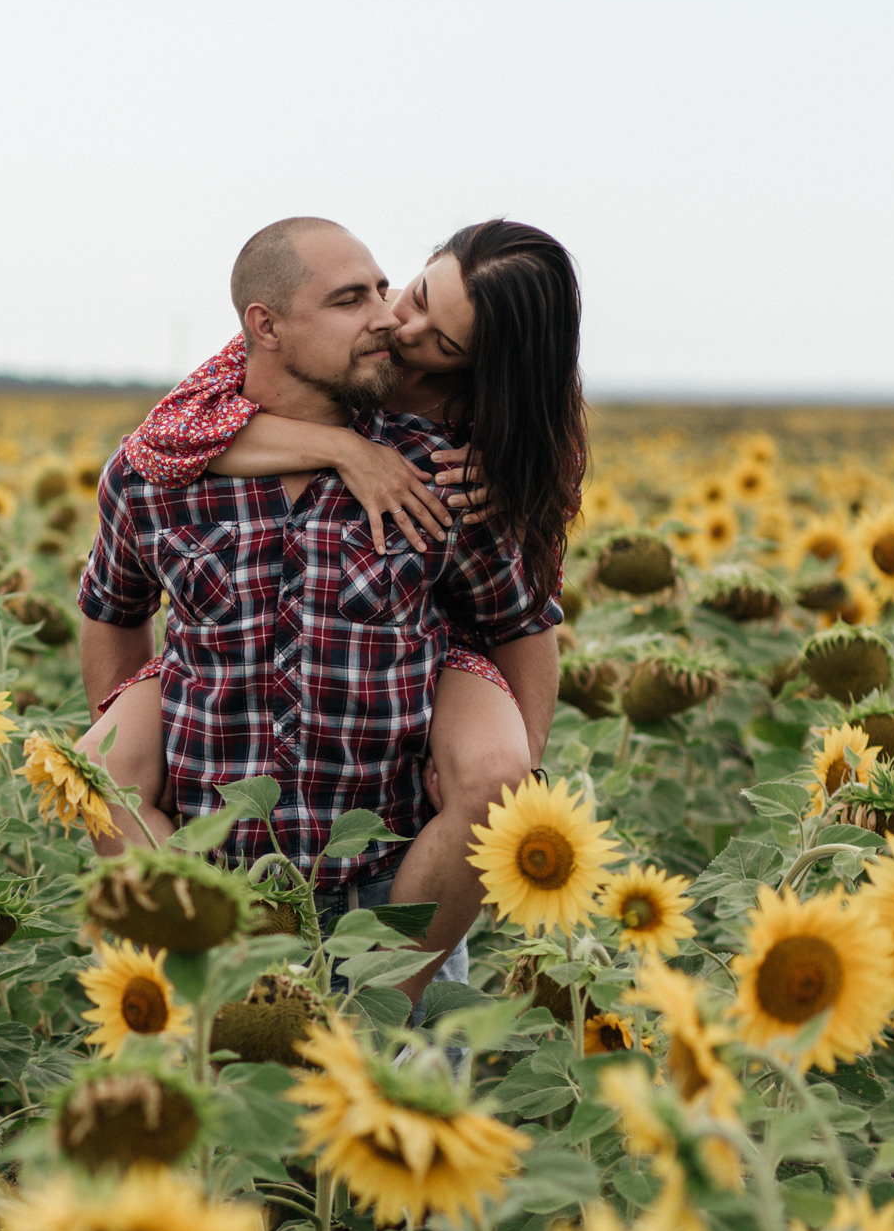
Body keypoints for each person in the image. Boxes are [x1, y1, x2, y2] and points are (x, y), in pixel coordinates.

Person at [76, 216, 568, 1004]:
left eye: (384, 289)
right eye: (353, 299)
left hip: (391, 896)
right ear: (264, 327)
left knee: (402, 1102)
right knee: (93, 768)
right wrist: (141, 731)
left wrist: (513, 775)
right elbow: (113, 605)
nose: (386, 317)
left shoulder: (442, 470)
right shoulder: (161, 470)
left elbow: (522, 622)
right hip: (221, 899)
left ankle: (386, 1006)